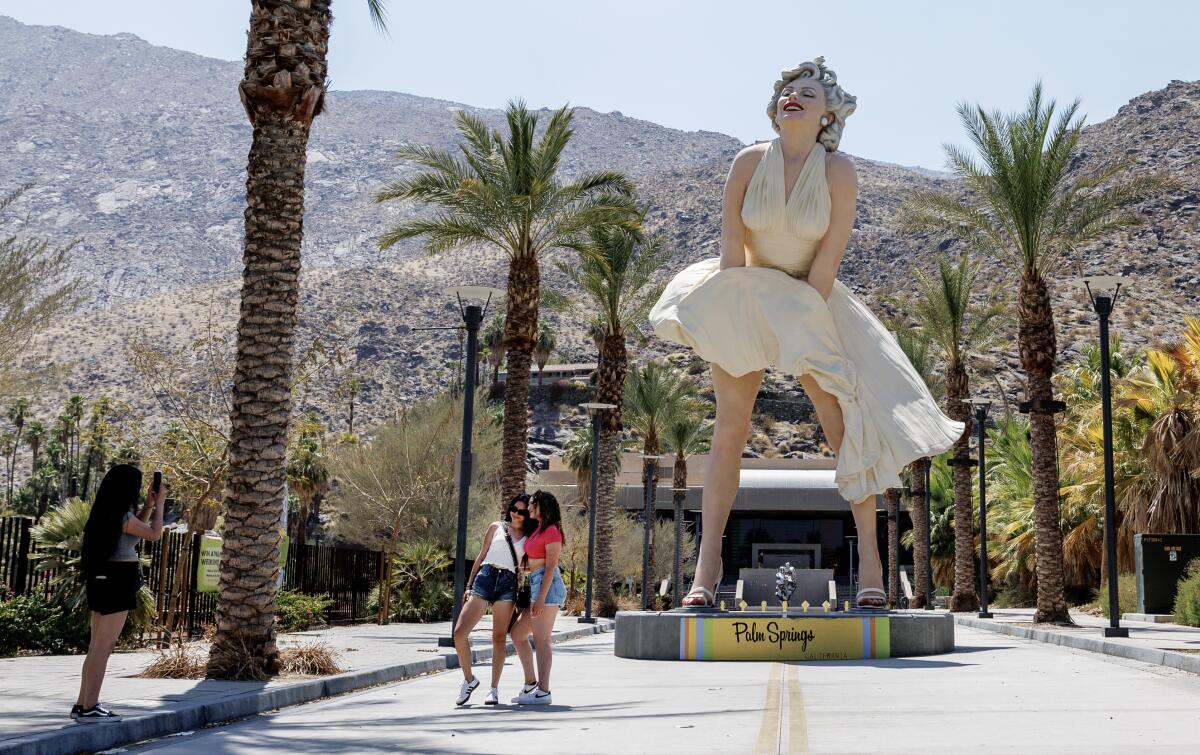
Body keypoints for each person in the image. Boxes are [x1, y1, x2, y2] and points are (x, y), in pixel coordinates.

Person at [649, 58, 963, 609]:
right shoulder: (747, 162)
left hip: (812, 301)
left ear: (828, 115)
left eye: (809, 93)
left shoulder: (839, 173)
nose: (794, 96)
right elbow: (730, 249)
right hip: (744, 291)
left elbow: (828, 261)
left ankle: (870, 559)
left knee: (843, 427)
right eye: (789, 89)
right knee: (730, 427)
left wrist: (801, 328)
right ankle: (706, 568)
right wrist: (733, 312)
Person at [74, 464, 166, 722]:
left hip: (101, 579)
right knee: (104, 647)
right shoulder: (122, 517)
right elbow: (154, 534)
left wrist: (148, 506)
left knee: (96, 647)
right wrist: (160, 505)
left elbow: (134, 532)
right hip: (118, 581)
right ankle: (90, 706)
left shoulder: (108, 513)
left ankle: (83, 703)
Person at [453, 493, 531, 706]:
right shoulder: (496, 526)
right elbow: (481, 555)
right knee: (459, 633)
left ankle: (493, 689)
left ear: (528, 515)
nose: (516, 513)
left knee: (498, 638)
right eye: (514, 508)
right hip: (484, 577)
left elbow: (529, 565)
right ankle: (469, 679)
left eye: (522, 511)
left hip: (508, 582)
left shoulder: (528, 537)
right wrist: (468, 586)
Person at [510, 490, 566, 705]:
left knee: (542, 641)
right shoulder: (539, 529)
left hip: (547, 587)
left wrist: (540, 599)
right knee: (517, 634)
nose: (529, 508)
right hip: (536, 583)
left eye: (533, 504)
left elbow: (551, 567)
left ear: (544, 506)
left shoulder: (552, 531)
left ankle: (544, 692)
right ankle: (531, 684)